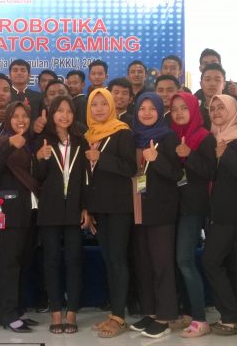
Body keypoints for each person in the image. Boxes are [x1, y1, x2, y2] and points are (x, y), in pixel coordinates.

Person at [33, 95, 90, 334]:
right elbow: (37, 177)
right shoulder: (42, 140)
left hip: (75, 208)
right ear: (52, 113)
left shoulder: (81, 141)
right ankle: (56, 311)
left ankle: (72, 311)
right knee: (52, 260)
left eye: (69, 111)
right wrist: (39, 158)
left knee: (74, 260)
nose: (64, 115)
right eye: (59, 110)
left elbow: (87, 178)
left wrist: (86, 207)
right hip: (50, 209)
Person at [128, 93, 183, 339]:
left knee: (162, 264)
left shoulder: (168, 137)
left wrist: (157, 158)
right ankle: (150, 312)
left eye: (152, 108)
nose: (147, 112)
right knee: (144, 263)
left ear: (160, 111)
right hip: (137, 207)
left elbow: (177, 174)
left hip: (161, 209)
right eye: (142, 108)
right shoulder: (133, 137)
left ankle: (165, 315)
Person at [84, 88, 137, 338]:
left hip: (118, 207)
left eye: (103, 104)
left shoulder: (122, 132)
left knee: (117, 260)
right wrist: (90, 207)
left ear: (112, 106)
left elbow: (130, 168)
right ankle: (115, 312)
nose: (99, 109)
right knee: (109, 260)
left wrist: (100, 157)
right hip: (100, 208)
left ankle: (119, 316)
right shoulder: (88, 135)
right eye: (94, 105)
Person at [201, 94, 237, 336]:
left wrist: (225, 153)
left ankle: (231, 317)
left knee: (210, 260)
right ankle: (231, 316)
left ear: (232, 110)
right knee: (228, 262)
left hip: (231, 211)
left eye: (221, 107)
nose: (216, 112)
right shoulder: (215, 138)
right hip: (218, 211)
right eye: (213, 108)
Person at [0, 101, 40, 333]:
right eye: (15, 116)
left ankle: (17, 309)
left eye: (25, 116)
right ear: (8, 119)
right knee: (8, 263)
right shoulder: (2, 140)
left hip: (28, 211)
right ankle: (7, 314)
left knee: (22, 262)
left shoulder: (30, 143)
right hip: (8, 211)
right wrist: (10, 144)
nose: (21, 120)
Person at [170, 92, 215, 338]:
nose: (179, 113)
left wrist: (189, 154)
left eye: (184, 108)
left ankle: (200, 318)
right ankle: (187, 312)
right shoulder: (171, 135)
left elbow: (211, 171)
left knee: (185, 260)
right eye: (175, 109)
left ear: (194, 110)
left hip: (194, 207)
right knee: (177, 261)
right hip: (174, 206)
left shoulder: (204, 136)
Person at [198, 63, 227, 128]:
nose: (212, 84)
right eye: (207, 80)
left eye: (217, 80)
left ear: (224, 85)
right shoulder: (196, 113)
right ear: (201, 84)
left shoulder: (232, 111)